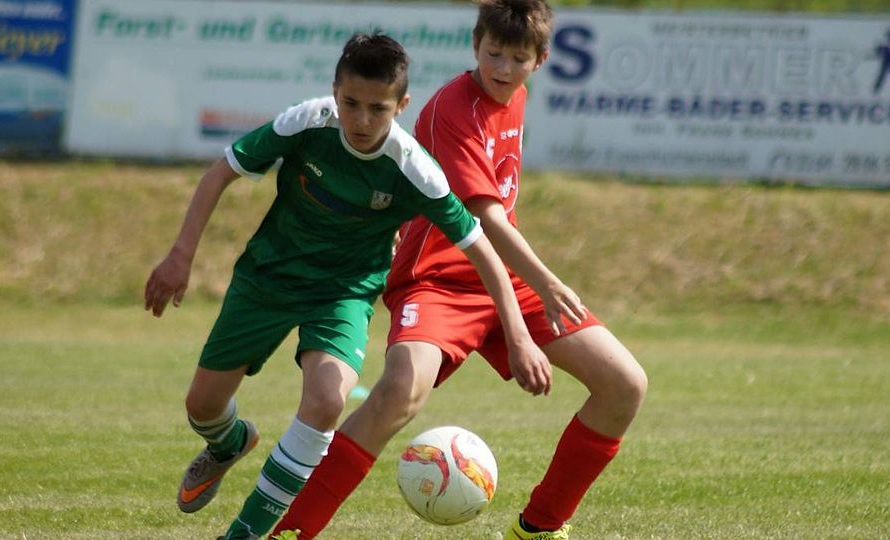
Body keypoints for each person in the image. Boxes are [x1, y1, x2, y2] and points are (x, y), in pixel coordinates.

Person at [143, 32, 549, 540]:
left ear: (401, 106)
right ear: (335, 92)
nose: (361, 120)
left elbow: (482, 248)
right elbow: (220, 173)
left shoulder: (414, 168)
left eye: (378, 109)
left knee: (326, 401)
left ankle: (244, 533)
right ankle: (228, 444)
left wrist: (518, 336)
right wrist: (180, 255)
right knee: (202, 407)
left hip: (344, 294)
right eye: (351, 103)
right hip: (267, 277)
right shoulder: (307, 122)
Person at [272, 2, 648, 539]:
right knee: (399, 392)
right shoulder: (454, 108)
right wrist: (542, 290)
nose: (503, 68)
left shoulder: (515, 97)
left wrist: (527, 297)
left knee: (624, 385)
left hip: (502, 276)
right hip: (438, 279)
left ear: (540, 60)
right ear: (475, 45)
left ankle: (540, 528)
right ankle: (294, 531)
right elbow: (486, 218)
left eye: (517, 59)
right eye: (493, 54)